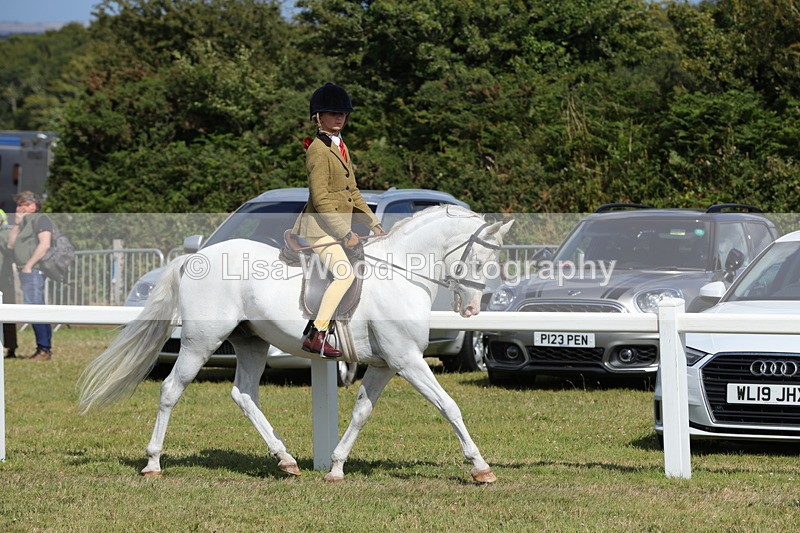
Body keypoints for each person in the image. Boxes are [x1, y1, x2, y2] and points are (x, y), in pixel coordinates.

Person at [292, 82, 385, 358]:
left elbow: (352, 192)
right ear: (318, 117)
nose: (339, 117)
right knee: (344, 273)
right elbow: (320, 200)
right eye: (332, 113)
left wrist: (373, 224)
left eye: (343, 113)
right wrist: (345, 233)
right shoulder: (317, 151)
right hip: (319, 230)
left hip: (336, 229)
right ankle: (317, 334)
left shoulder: (342, 146)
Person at [7, 191, 53, 361]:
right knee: (36, 307)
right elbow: (11, 244)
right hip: (26, 270)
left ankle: (44, 349)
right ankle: (43, 348)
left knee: (35, 308)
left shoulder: (40, 219)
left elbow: (45, 244)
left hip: (33, 270)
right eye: (18, 205)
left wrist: (29, 265)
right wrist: (17, 224)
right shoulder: (23, 223)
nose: (19, 208)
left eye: (23, 205)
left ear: (33, 206)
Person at [0, 219, 18, 359]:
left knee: (7, 314)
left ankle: (11, 348)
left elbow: (10, 248)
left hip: (4, 279)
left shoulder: (5, 234)